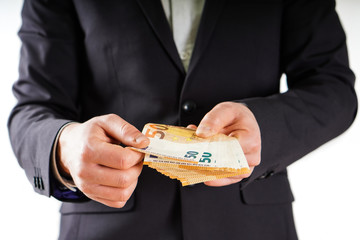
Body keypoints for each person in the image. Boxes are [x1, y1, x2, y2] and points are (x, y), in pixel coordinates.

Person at [8, 0, 357, 239]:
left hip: (251, 227)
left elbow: (333, 88)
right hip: (109, 228)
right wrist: (64, 146)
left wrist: (264, 127)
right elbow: (34, 105)